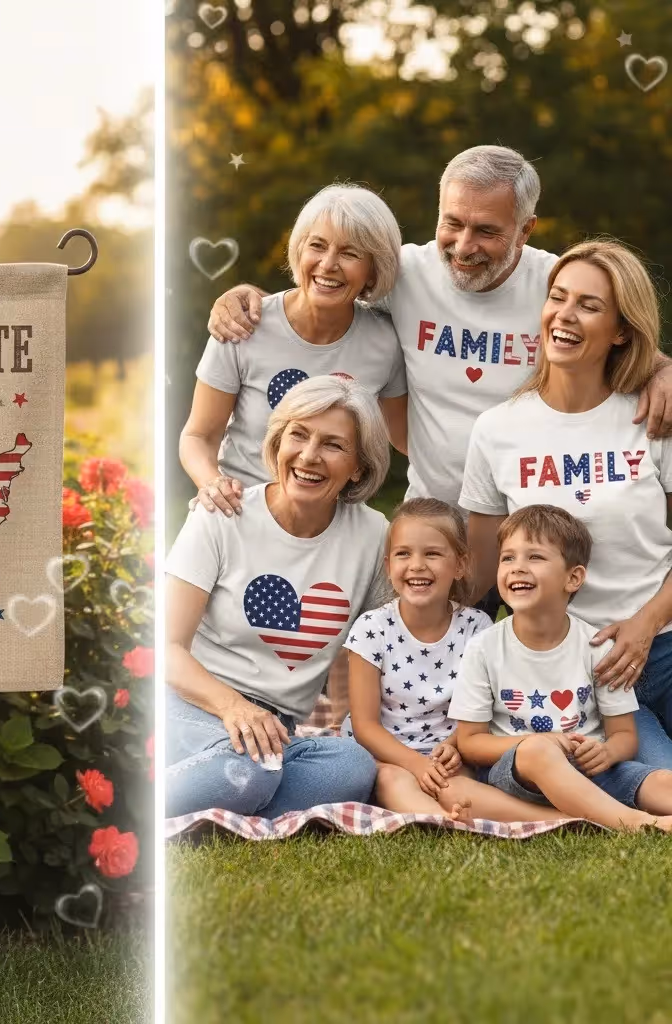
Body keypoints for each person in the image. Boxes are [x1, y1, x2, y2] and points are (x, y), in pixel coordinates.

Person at [202, 145, 672, 616]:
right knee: (419, 654)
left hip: (531, 533)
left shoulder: (556, 285)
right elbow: (322, 293)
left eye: (486, 230)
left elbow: (628, 336)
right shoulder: (406, 274)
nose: (464, 247)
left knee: (534, 655)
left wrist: (665, 370)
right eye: (452, 223)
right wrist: (246, 298)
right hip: (436, 525)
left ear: (525, 229)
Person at [460, 239, 672, 767]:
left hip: (662, 647)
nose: (565, 315)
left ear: (621, 330)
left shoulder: (654, 417)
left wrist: (645, 624)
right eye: (558, 297)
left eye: (589, 305)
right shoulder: (497, 430)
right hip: (561, 669)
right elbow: (480, 571)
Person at [165, 376, 390, 818]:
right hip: (193, 702)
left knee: (352, 767)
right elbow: (167, 648)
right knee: (253, 770)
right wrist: (232, 707)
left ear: (359, 467)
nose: (309, 456)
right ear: (278, 441)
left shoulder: (373, 536)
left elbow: (370, 649)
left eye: (333, 445)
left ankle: (226, 797)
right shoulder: (222, 515)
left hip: (277, 731)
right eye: (298, 435)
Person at [181, 184, 407, 518]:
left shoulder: (385, 343)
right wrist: (213, 484)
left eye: (350, 253)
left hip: (327, 528)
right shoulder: (242, 325)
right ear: (300, 249)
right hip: (240, 514)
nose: (328, 264)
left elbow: (406, 438)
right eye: (317, 245)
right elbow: (198, 435)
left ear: (374, 269)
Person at [344, 497, 568, 822]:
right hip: (386, 753)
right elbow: (365, 726)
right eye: (404, 554)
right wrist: (415, 764)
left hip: (450, 750)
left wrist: (453, 746)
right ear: (388, 565)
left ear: (460, 565)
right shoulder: (371, 629)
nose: (417, 565)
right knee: (392, 780)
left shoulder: (477, 627)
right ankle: (443, 821)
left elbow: (485, 708)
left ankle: (557, 818)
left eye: (432, 554)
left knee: (456, 786)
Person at [449, 505, 672, 831]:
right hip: (518, 776)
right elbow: (470, 742)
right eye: (507, 558)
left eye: (534, 557)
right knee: (535, 751)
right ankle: (634, 822)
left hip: (591, 771)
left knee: (663, 781)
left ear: (573, 578)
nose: (517, 568)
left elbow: (624, 734)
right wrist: (541, 744)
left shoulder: (596, 647)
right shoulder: (483, 648)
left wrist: (607, 753)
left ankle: (595, 812)